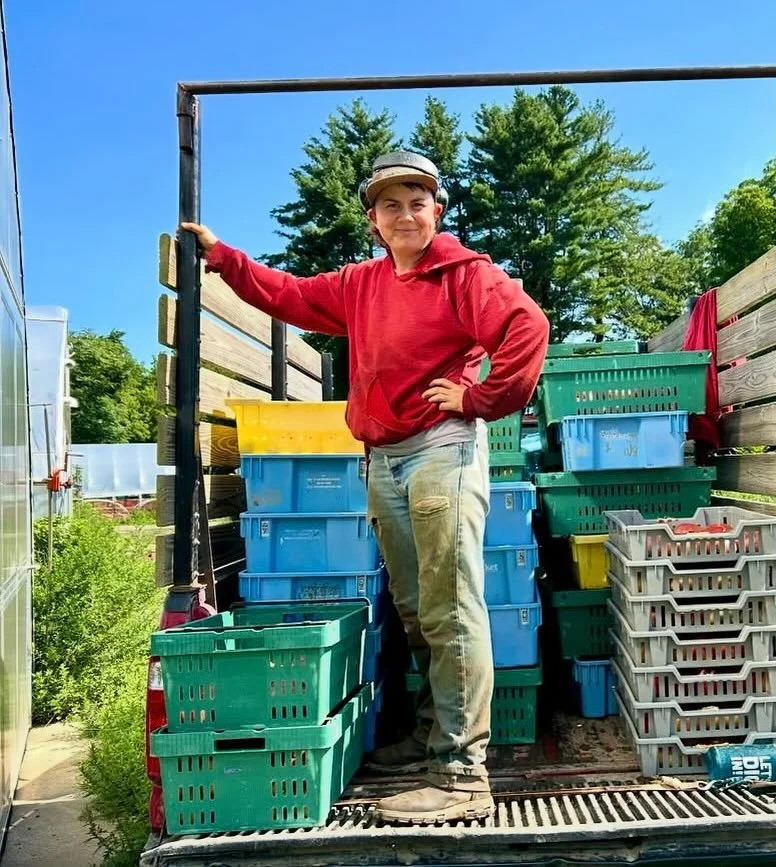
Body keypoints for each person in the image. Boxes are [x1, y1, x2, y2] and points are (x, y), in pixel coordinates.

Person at [181, 151, 550, 825]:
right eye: (389, 205)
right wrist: (225, 258)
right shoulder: (361, 284)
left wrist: (480, 396)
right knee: (413, 607)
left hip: (442, 450)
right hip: (384, 456)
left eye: (417, 201)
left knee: (450, 604)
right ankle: (431, 734)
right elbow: (288, 295)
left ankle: (462, 772)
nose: (404, 214)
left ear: (435, 210)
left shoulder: (463, 274)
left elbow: (527, 327)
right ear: (374, 221)